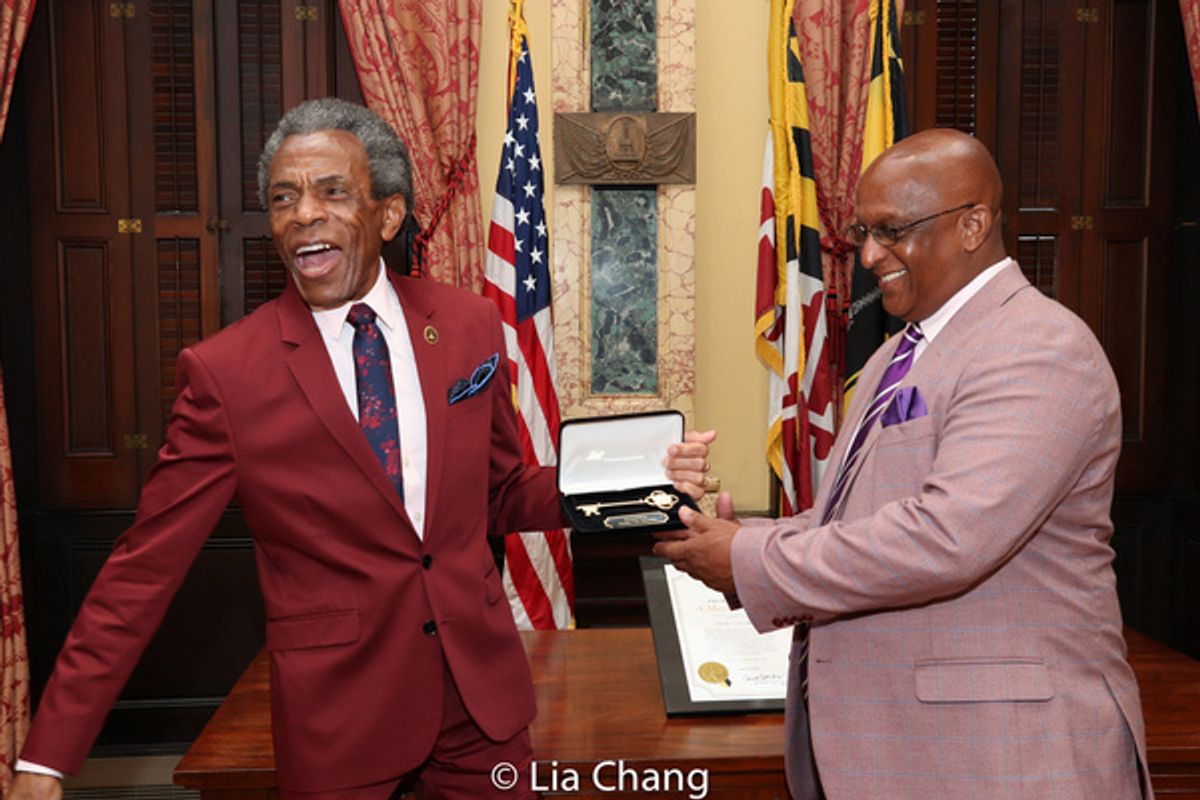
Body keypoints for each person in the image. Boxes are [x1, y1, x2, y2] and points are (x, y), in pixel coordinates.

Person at [9, 98, 713, 800]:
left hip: (480, 709)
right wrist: (48, 757)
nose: (303, 213)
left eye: (331, 191)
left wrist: (637, 478)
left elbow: (498, 493)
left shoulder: (467, 326)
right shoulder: (226, 374)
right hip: (340, 722)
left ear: (388, 215)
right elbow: (143, 568)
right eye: (284, 198)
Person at [655, 128, 1152, 800]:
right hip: (904, 753)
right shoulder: (899, 355)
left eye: (891, 231)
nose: (867, 255)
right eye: (864, 231)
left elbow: (947, 537)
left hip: (1006, 762)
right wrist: (740, 542)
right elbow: (860, 519)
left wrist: (750, 561)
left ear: (973, 223)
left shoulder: (1038, 347)